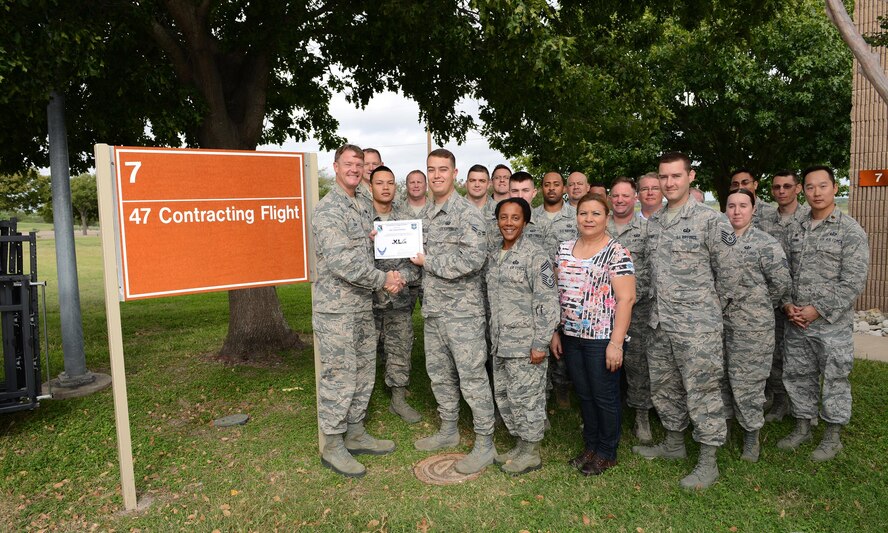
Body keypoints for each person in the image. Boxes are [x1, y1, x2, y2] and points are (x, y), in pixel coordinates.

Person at [632, 151, 733, 491]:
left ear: (690, 177)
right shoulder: (655, 222)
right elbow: (647, 271)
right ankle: (674, 443)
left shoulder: (711, 220)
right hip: (660, 324)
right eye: (664, 177)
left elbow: (731, 275)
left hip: (697, 327)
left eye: (676, 176)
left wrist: (711, 314)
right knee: (665, 386)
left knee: (703, 392)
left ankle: (708, 460)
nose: (669, 183)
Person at [312, 144, 404, 478]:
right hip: (336, 310)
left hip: (361, 304)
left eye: (359, 164)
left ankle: (355, 431)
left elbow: (369, 244)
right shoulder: (328, 209)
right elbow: (342, 262)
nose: (354, 168)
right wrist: (385, 279)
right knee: (339, 375)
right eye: (348, 163)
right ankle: (333, 445)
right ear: (335, 166)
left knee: (364, 370)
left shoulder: (361, 204)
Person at [411, 149, 497, 474]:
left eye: (442, 170)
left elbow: (472, 259)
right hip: (433, 312)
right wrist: (385, 244)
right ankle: (448, 429)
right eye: (431, 170)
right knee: (439, 375)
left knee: (472, 378)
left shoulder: (467, 213)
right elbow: (411, 256)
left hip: (463, 315)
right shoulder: (424, 215)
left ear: (454, 173)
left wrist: (427, 261)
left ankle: (485, 442)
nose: (436, 176)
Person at [778, 166, 869, 462]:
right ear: (803, 191)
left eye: (823, 186)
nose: (816, 193)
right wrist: (788, 304)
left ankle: (832, 435)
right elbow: (784, 271)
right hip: (797, 321)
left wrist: (818, 310)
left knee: (834, 378)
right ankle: (803, 425)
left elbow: (853, 281)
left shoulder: (850, 230)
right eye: (810, 187)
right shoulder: (796, 227)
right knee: (798, 374)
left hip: (831, 324)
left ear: (834, 189)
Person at [551, 192, 636, 476]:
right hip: (571, 335)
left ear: (607, 217)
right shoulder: (563, 249)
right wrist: (555, 331)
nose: (589, 219)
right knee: (585, 395)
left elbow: (626, 299)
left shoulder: (617, 252)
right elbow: (555, 293)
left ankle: (607, 451)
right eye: (583, 213)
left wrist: (616, 343)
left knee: (604, 396)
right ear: (576, 217)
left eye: (596, 213)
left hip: (602, 338)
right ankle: (591, 446)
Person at [486, 198, 559, 474]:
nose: (508, 223)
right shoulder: (495, 255)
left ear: (525, 222)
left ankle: (531, 452)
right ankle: (520, 442)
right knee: (507, 395)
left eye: (515, 218)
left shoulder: (535, 256)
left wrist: (541, 342)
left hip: (526, 344)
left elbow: (548, 301)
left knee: (528, 397)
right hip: (501, 342)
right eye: (503, 217)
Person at [719, 188, 791, 462]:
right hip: (721, 324)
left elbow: (781, 282)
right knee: (722, 377)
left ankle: (751, 435)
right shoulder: (719, 241)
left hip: (753, 328)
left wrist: (757, 304)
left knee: (748, 382)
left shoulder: (765, 243)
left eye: (742, 206)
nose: (737, 211)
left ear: (753, 210)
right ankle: (723, 426)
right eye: (731, 205)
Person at [369, 166, 423, 424]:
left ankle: (398, 399)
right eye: (380, 183)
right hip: (367, 299)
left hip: (399, 299)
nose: (386, 187)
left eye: (390, 182)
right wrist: (382, 280)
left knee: (400, 347)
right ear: (371, 187)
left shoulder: (406, 220)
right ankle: (362, 400)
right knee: (365, 350)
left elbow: (415, 262)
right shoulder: (361, 218)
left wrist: (401, 278)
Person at [758, 170, 810, 422]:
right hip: (776, 302)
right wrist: (781, 301)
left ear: (797, 189)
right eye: (776, 187)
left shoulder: (809, 219)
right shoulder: (765, 220)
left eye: (787, 186)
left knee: (805, 359)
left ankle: (805, 409)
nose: (781, 191)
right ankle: (779, 401)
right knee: (776, 354)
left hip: (806, 303)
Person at [607, 177, 654, 443]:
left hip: (638, 309)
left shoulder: (647, 230)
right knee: (604, 364)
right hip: (604, 310)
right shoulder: (600, 227)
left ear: (635, 198)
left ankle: (641, 416)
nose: (621, 200)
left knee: (637, 365)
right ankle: (606, 415)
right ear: (610, 198)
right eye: (616, 196)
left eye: (626, 195)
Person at [537, 171, 578, 408]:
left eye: (556, 184)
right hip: (537, 292)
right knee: (542, 339)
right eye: (546, 185)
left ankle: (563, 387)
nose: (551, 188)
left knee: (565, 341)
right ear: (541, 188)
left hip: (568, 290)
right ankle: (542, 392)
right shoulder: (530, 217)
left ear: (564, 188)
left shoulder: (576, 217)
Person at [509, 171, 557, 259]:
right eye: (515, 191)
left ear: (534, 193)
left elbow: (549, 260)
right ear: (509, 193)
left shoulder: (546, 225)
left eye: (525, 190)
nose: (520, 196)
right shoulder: (498, 224)